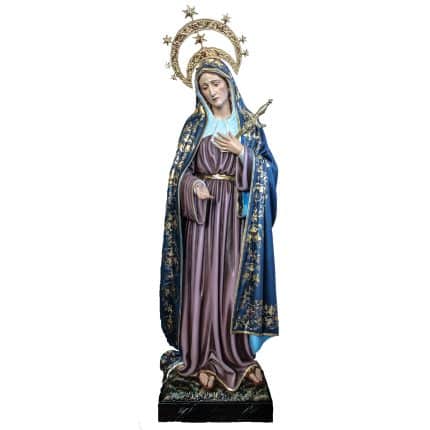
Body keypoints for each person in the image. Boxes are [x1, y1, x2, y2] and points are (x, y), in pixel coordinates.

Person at [160, 58, 278, 392]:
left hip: (235, 219)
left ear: (228, 83)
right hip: (203, 218)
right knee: (201, 285)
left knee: (231, 284)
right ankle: (200, 358)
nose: (211, 92)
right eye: (204, 86)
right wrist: (194, 185)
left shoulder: (249, 125)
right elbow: (179, 176)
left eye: (216, 83)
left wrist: (243, 152)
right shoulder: (194, 126)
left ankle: (238, 357)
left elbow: (269, 172)